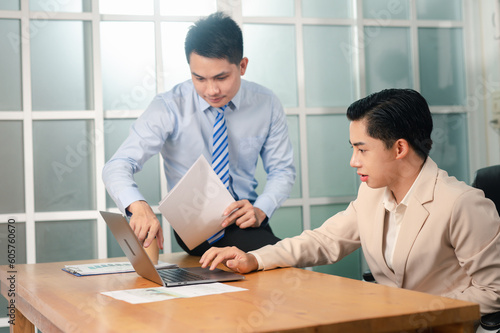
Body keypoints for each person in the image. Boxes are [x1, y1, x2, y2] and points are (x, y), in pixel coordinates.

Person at [200, 88, 500, 316]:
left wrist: (420, 311)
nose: (353, 161)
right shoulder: (371, 193)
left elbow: (494, 291)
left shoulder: (461, 204)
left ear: (399, 148)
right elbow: (324, 240)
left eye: (362, 150)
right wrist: (255, 259)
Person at [102, 12, 295, 259]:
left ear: (242, 66)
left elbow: (282, 170)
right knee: (281, 258)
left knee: (273, 262)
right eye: (199, 78)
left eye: (221, 77)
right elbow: (117, 166)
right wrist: (137, 206)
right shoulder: (169, 106)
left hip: (248, 220)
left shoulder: (266, 104)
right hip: (195, 227)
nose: (211, 90)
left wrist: (261, 209)